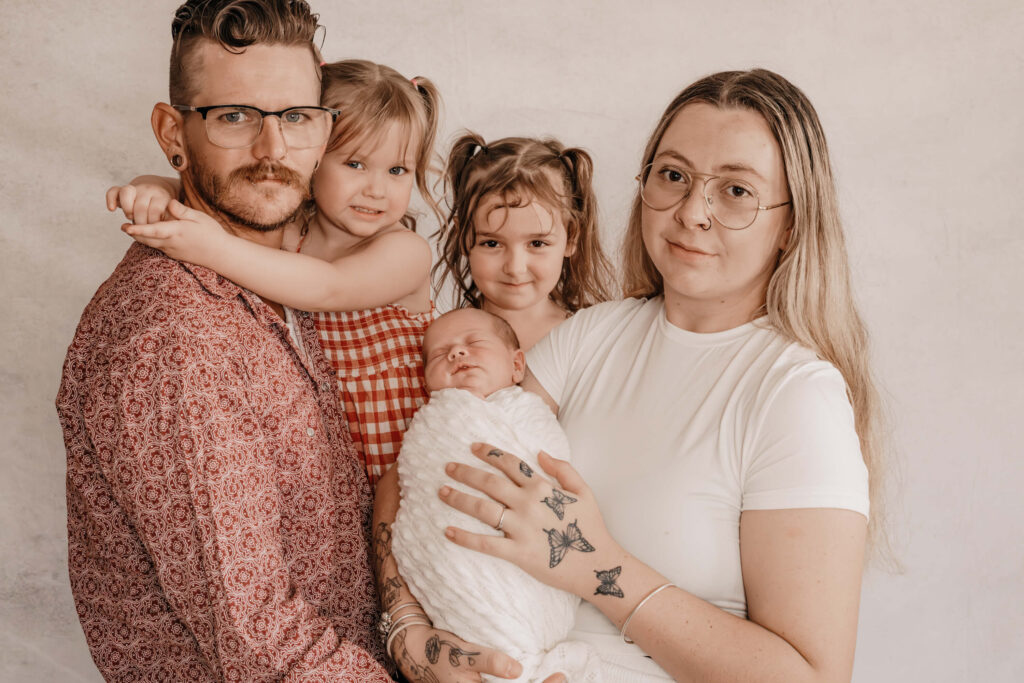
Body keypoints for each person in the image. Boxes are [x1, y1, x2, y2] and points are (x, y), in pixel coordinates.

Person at [393, 69, 887, 681]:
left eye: (735, 191)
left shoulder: (793, 395)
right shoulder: (586, 338)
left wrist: (593, 563)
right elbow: (427, 462)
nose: (691, 213)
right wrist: (410, 633)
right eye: (674, 176)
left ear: (790, 223)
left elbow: (811, 677)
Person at [56, 1, 392, 679]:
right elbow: (259, 637)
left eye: (297, 117)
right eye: (234, 117)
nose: (273, 152)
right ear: (171, 132)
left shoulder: (291, 277)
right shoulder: (175, 334)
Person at [106, 59, 442, 486]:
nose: (377, 189)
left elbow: (328, 287)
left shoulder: (405, 252)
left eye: (398, 171)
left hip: (407, 463)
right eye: (355, 164)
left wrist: (215, 248)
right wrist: (156, 188)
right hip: (323, 463)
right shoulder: (290, 230)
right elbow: (219, 193)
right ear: (314, 155)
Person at [388, 308, 598, 682]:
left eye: (473, 344)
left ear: (517, 366)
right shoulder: (433, 423)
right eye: (440, 354)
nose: (456, 354)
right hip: (454, 559)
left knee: (519, 618)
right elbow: (416, 482)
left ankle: (524, 654)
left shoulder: (528, 414)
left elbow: (549, 466)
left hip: (528, 560)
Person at [434, 134, 614, 350]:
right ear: (463, 236)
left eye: (537, 243)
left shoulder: (590, 340)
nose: (515, 268)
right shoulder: (444, 342)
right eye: (492, 243)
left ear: (571, 237)